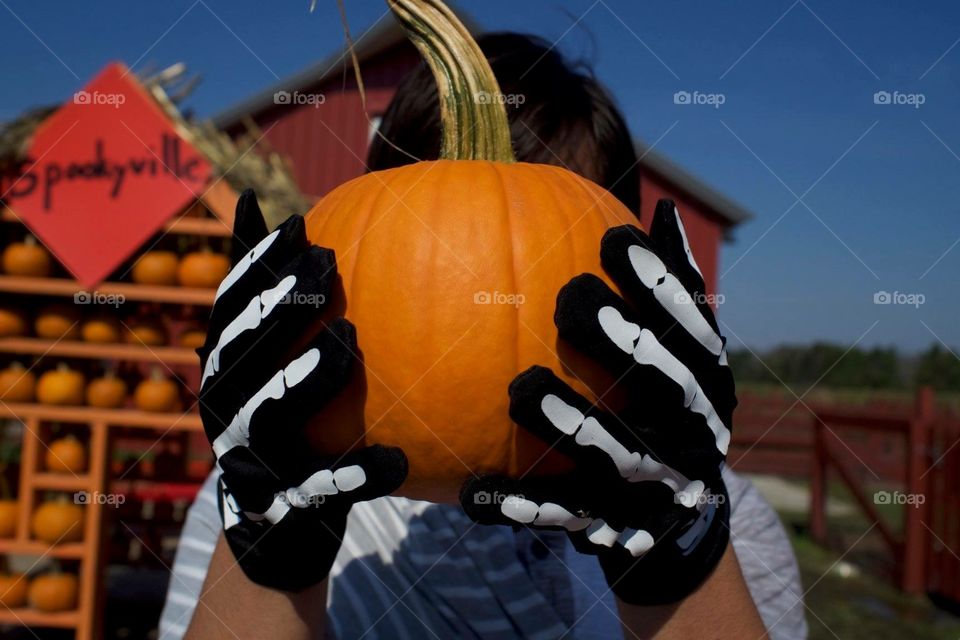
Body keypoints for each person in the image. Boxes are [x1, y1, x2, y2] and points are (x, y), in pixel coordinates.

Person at [160, 33, 807, 639]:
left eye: (549, 252)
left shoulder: (724, 527)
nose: (486, 303)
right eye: (435, 256)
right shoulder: (264, 503)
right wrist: (275, 567)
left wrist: (680, 561)